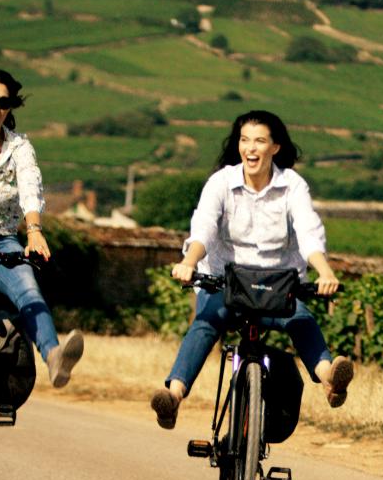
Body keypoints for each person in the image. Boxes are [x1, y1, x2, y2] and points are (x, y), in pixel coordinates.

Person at [150, 110, 353, 429]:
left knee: (300, 319)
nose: (251, 148)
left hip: (277, 285)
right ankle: (172, 397)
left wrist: (325, 271)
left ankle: (330, 379)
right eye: (245, 140)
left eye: (260, 140)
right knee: (206, 322)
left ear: (275, 147)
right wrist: (189, 263)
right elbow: (203, 228)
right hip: (224, 284)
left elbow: (308, 232)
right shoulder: (221, 182)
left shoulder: (292, 187)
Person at [0, 68, 83, 388]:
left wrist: (33, 229)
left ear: (10, 106)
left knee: (29, 291)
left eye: (2, 101)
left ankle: (54, 356)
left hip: (3, 242)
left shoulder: (19, 149)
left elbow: (30, 186)